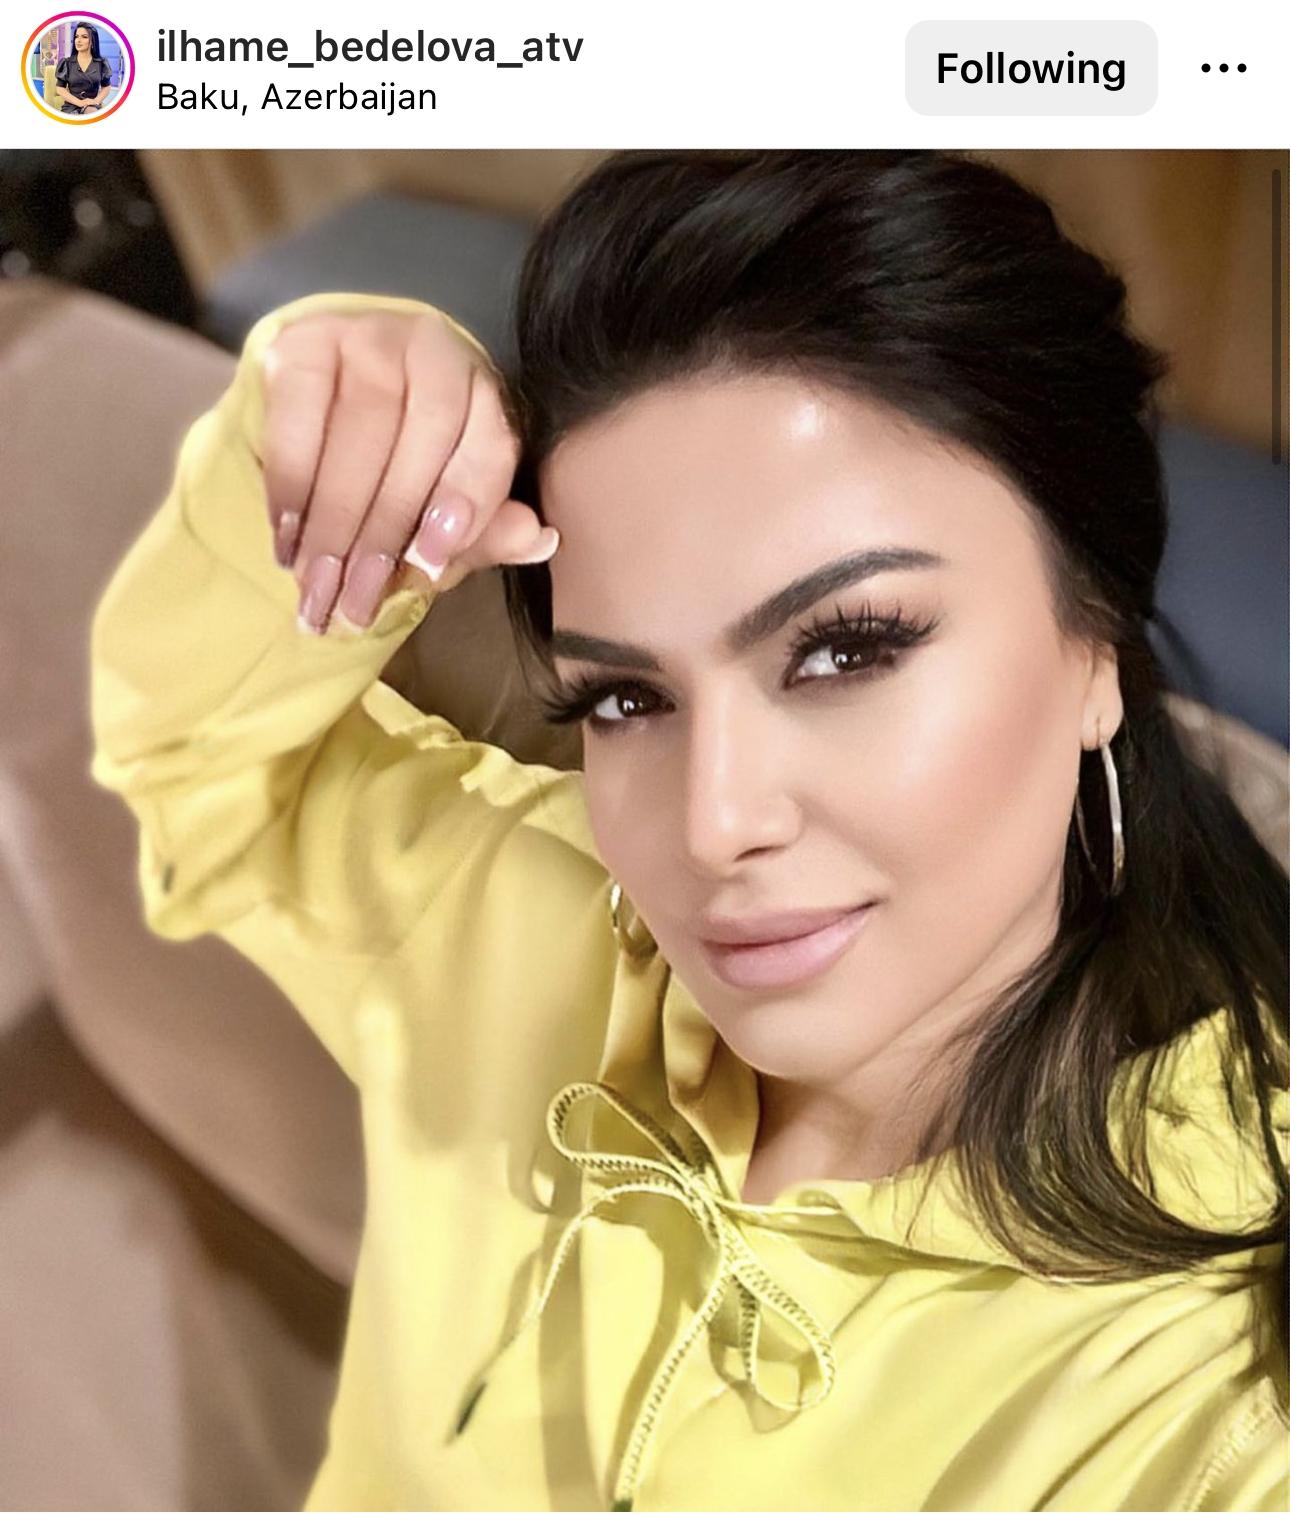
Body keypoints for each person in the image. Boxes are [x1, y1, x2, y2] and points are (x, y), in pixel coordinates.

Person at [89, 150, 1287, 1511]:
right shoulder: (531, 926)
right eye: (625, 697)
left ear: (1094, 648)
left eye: (845, 651)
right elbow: (201, 769)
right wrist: (321, 427)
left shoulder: (1215, 1393)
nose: (712, 826)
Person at [54, 22, 112, 115]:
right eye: (77, 36)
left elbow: (106, 86)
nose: (78, 40)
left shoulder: (101, 63)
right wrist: (80, 103)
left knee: (91, 112)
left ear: (92, 41)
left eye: (84, 37)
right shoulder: (67, 62)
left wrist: (96, 101)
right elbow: (60, 88)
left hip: (91, 105)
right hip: (72, 106)